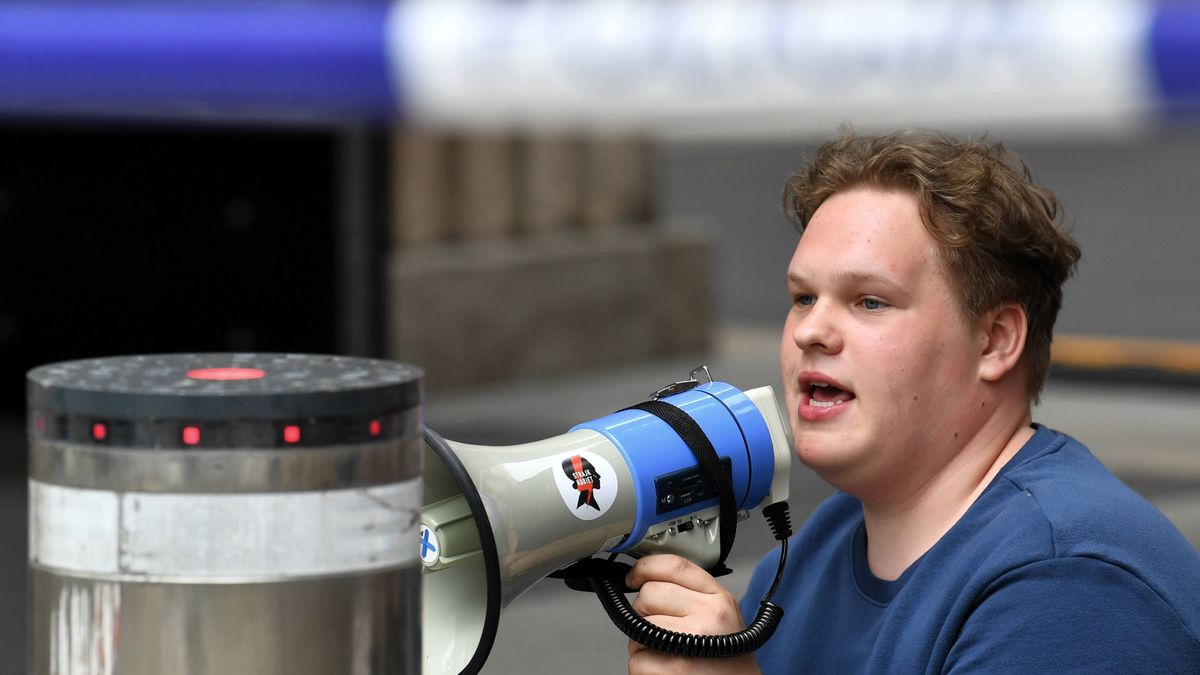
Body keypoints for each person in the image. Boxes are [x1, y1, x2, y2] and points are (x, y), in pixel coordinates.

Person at [624, 130, 1200, 673]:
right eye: (803, 297)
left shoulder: (1069, 584)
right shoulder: (807, 558)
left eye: (870, 301)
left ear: (996, 340)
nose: (810, 331)